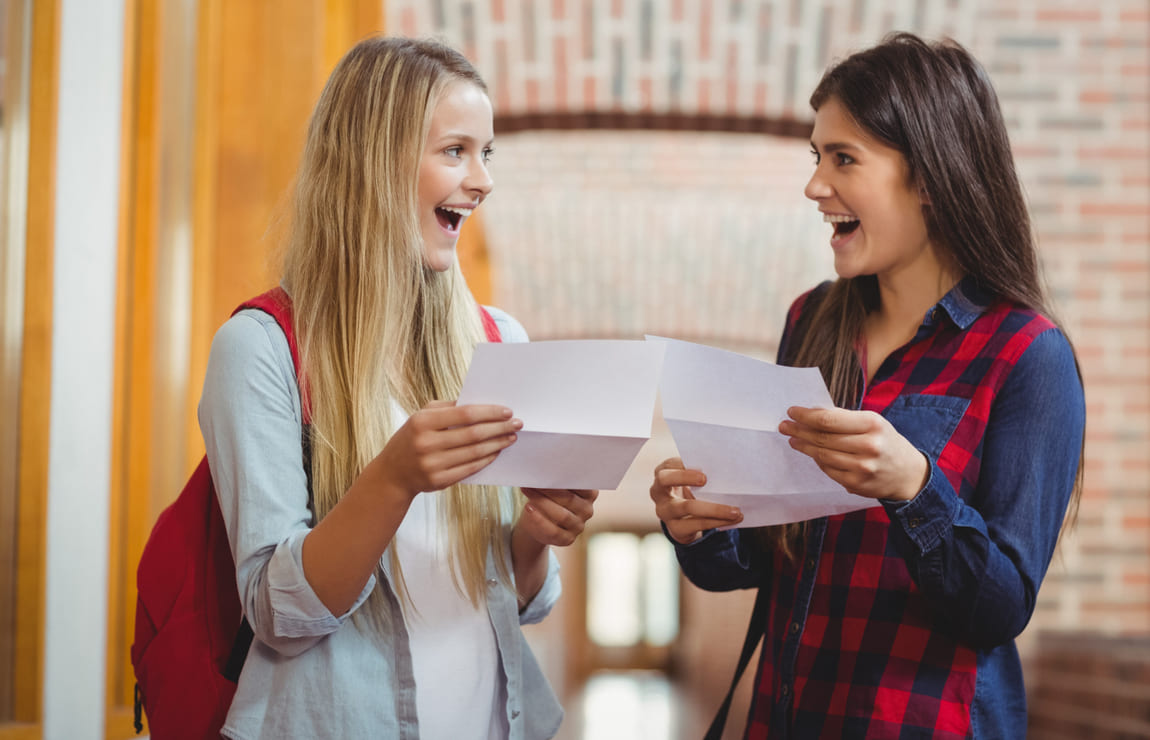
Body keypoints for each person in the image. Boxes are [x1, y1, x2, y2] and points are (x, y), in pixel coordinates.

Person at [650, 32, 1084, 739]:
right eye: (816, 157)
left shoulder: (1028, 356)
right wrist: (699, 529)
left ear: (931, 177)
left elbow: (1000, 607)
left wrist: (913, 488)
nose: (815, 186)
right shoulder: (811, 319)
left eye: (843, 159)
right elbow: (770, 561)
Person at [199, 36, 597, 739]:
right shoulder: (260, 350)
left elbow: (522, 603)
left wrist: (534, 537)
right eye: (455, 151)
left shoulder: (499, 340)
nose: (483, 180)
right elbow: (277, 615)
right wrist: (391, 479)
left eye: (488, 153)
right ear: (372, 163)